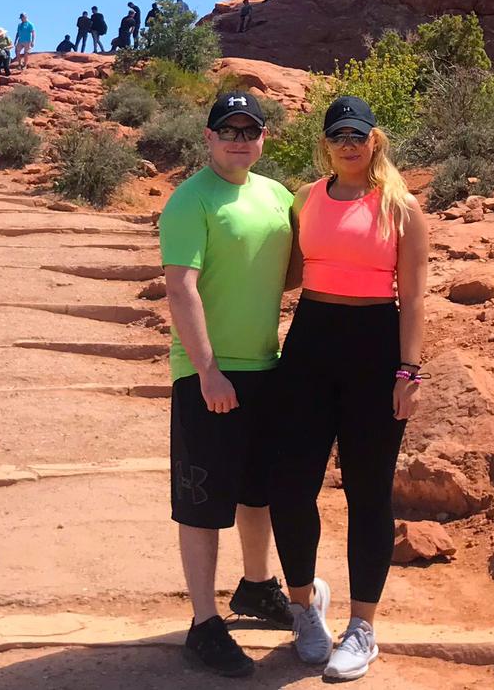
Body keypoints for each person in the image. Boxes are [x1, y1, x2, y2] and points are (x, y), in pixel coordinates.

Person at [268, 95, 429, 680]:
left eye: (358, 135)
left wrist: (409, 372)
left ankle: (363, 627)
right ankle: (304, 607)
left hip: (373, 347)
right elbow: (277, 271)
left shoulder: (401, 207)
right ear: (326, 143)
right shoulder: (304, 199)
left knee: (368, 492)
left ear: (374, 139)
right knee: (290, 486)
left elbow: (413, 297)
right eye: (339, 135)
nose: (349, 144)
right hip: (310, 344)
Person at [158, 91, 295, 677]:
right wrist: (208, 368)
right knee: (203, 500)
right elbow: (181, 289)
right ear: (208, 137)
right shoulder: (190, 201)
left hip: (266, 366)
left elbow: (292, 270)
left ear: (263, 137)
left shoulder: (279, 196)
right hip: (208, 372)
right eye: (227, 129)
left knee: (257, 491)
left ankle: (257, 586)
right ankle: (203, 623)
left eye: (250, 129)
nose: (239, 138)